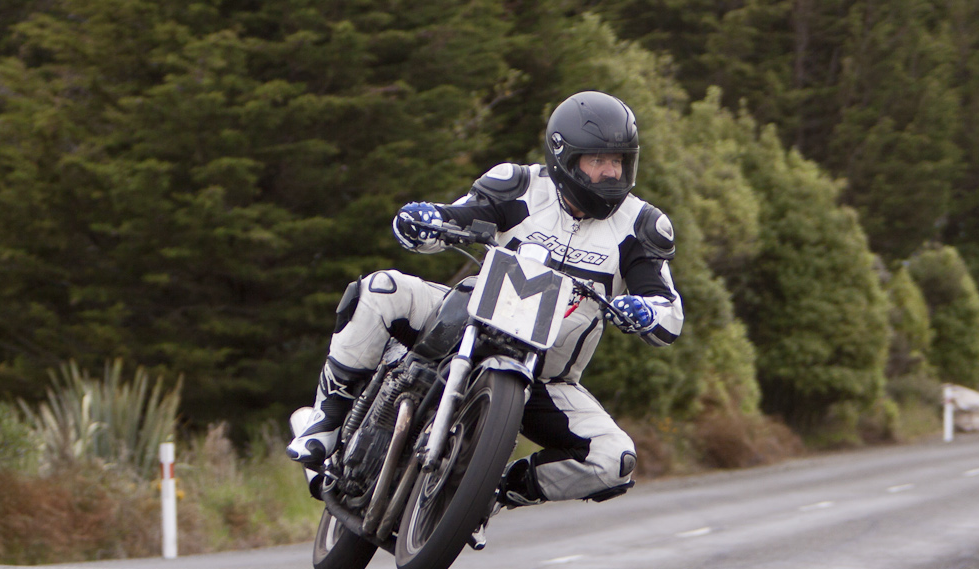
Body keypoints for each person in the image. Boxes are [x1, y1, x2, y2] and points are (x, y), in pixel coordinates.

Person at [287, 91, 683, 510]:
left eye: (619, 161)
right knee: (381, 289)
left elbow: (667, 310)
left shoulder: (641, 226)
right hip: (466, 319)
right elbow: (460, 216)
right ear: (565, 159)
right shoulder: (519, 186)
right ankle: (326, 420)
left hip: (548, 379)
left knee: (614, 461)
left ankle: (497, 488)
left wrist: (644, 312)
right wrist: (428, 222)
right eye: (598, 161)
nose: (610, 174)